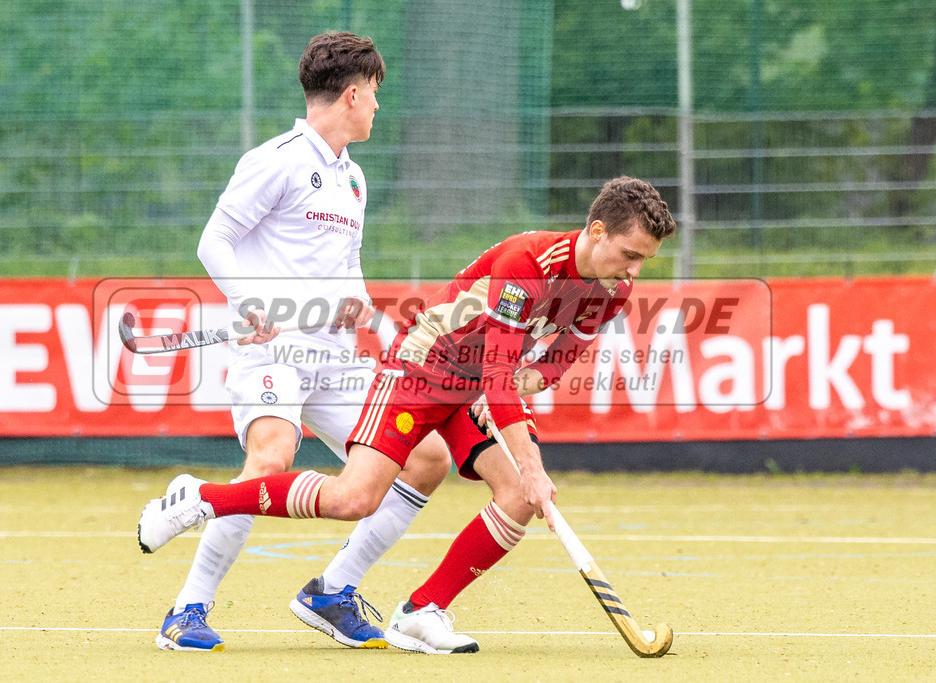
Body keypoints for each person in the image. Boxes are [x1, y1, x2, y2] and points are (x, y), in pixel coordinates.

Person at [139, 176, 678, 653]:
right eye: (630, 254)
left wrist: (522, 388)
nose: (633, 271)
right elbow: (495, 373)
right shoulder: (526, 264)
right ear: (599, 230)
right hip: (425, 366)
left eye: (644, 262)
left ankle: (420, 612)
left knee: (516, 495)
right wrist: (526, 446)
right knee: (354, 499)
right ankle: (202, 498)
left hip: (477, 385)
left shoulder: (611, 291)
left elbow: (552, 364)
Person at [146, 31, 453, 652]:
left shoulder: (354, 179)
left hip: (333, 360)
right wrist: (252, 303)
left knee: (426, 459)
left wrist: (357, 300)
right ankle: (187, 611)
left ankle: (333, 591)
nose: (377, 107)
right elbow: (215, 243)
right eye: (374, 95)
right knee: (270, 462)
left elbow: (346, 267)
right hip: (271, 352)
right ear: (350, 93)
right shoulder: (277, 159)